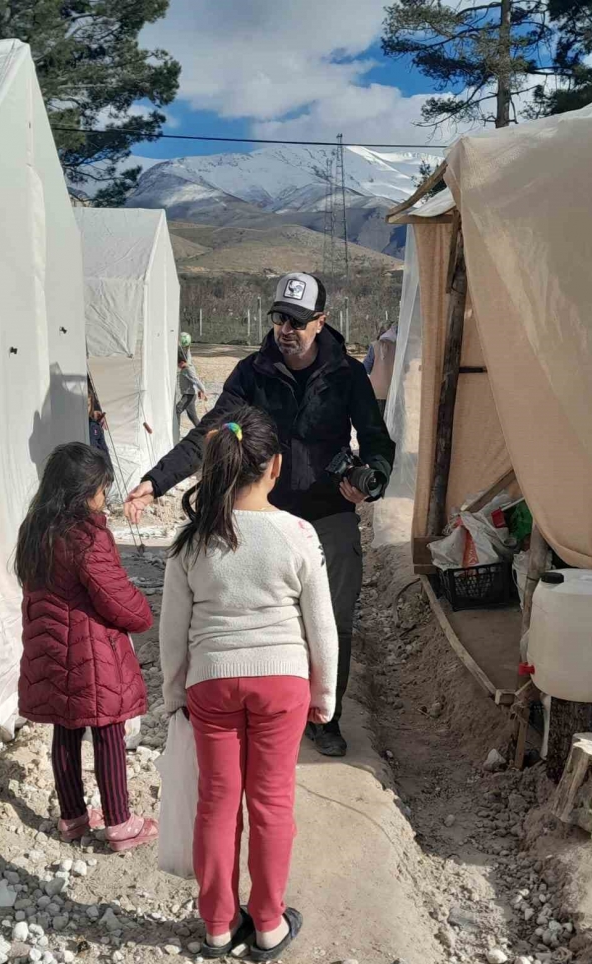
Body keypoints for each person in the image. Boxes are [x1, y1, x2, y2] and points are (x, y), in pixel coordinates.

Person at [127, 272, 395, 757]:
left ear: (321, 322)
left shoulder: (348, 375)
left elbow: (377, 441)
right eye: (278, 318)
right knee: (265, 617)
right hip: (263, 517)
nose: (284, 330)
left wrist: (369, 481)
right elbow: (210, 432)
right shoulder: (253, 372)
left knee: (334, 617)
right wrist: (157, 480)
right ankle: (267, 705)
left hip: (329, 514)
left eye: (295, 320)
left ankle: (325, 715)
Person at [160, 406, 338, 962]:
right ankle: (267, 923)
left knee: (216, 802)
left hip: (212, 683)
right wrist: (325, 694)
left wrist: (172, 696)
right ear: (276, 467)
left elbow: (173, 632)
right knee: (271, 803)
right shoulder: (299, 534)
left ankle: (216, 924)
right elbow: (322, 627)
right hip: (283, 682)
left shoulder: (191, 542)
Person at [15, 442, 158, 853]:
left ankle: (73, 818)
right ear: (83, 493)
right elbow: (116, 598)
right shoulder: (87, 537)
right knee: (109, 729)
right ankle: (120, 824)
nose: (104, 497)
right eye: (101, 489)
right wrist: (143, 615)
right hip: (90, 653)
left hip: (50, 648)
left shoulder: (35, 529)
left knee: (66, 728)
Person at [364, 324, 397, 418]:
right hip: (393, 391)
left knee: (377, 421)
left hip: (376, 391)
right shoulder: (398, 347)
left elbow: (366, 367)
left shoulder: (374, 345)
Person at [176, 344, 208, 429]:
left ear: (182, 362)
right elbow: (189, 356)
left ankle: (176, 429)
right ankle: (201, 431)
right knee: (192, 417)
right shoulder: (188, 363)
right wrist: (187, 348)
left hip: (189, 395)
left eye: (178, 364)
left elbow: (196, 380)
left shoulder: (187, 370)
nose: (177, 366)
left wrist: (203, 391)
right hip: (189, 394)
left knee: (177, 409)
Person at [87, 377, 111, 466]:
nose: (85, 408)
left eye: (88, 405)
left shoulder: (95, 426)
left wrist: (109, 471)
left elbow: (104, 449)